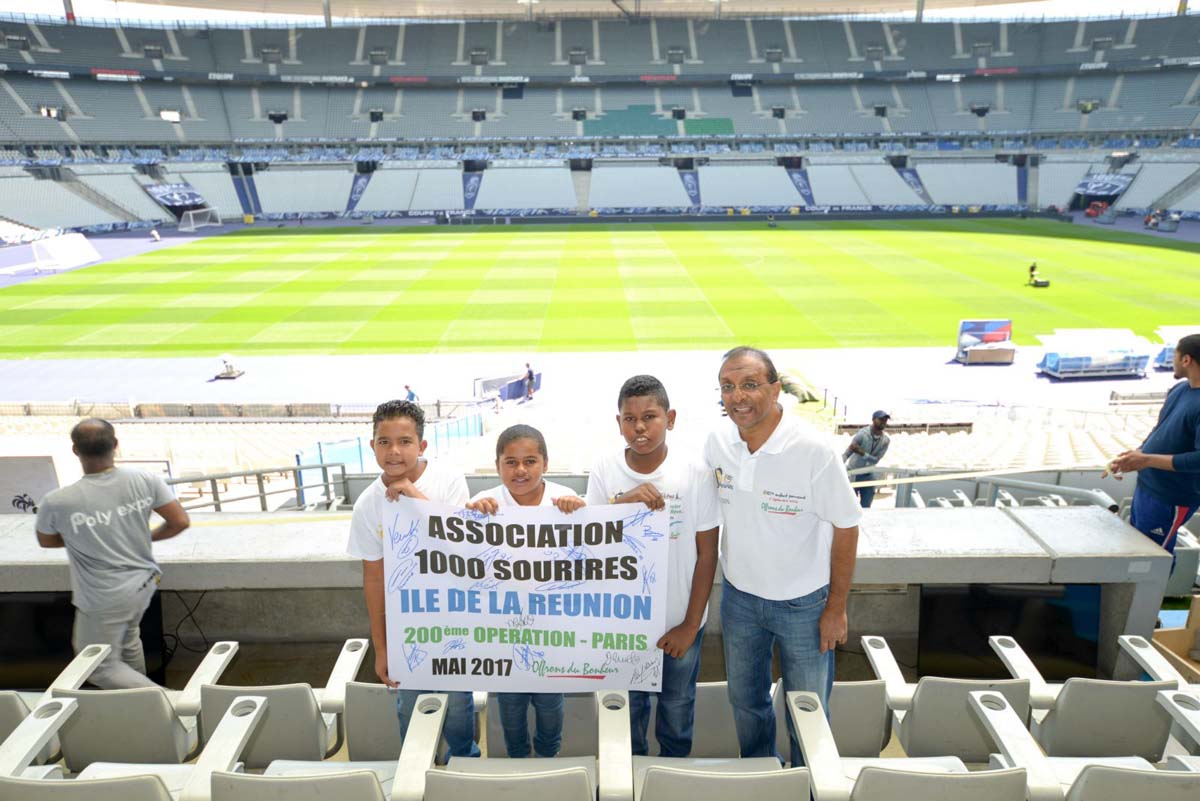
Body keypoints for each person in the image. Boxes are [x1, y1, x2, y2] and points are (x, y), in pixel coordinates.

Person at [704, 347, 861, 767]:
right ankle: (762, 776)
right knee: (745, 701)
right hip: (739, 601)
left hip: (805, 606)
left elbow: (847, 528)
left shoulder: (814, 451)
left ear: (775, 390)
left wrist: (836, 608)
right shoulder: (716, 442)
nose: (737, 396)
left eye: (750, 385)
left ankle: (812, 783)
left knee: (807, 709)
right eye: (728, 387)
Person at [586, 375, 719, 757]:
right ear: (618, 423)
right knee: (626, 717)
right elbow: (588, 546)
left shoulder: (694, 471)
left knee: (677, 712)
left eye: (650, 416)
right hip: (621, 623)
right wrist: (622, 504)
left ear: (670, 418)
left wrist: (690, 625)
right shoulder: (605, 469)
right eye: (630, 419)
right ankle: (627, 779)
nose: (639, 427)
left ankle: (672, 780)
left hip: (679, 621)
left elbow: (708, 553)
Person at [347, 400, 480, 759]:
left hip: (455, 618)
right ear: (371, 446)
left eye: (405, 441)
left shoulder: (448, 481)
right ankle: (417, 770)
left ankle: (463, 763)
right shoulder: (366, 505)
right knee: (409, 709)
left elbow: (463, 549)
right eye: (384, 441)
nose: (394, 451)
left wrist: (415, 498)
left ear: (422, 446)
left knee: (457, 707)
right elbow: (373, 579)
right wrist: (382, 646)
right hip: (407, 625)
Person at [35, 419, 190, 688]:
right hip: (143, 583)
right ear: (115, 445)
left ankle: (167, 702)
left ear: (75, 450)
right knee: (128, 642)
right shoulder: (145, 479)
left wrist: (83, 533)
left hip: (103, 595)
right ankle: (138, 708)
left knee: (96, 666)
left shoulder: (58, 501)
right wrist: (146, 535)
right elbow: (180, 522)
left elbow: (46, 541)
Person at [465, 425, 585, 759]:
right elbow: (457, 558)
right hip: (502, 631)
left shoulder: (568, 502)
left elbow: (595, 554)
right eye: (511, 462)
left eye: (530, 461)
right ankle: (518, 759)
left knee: (550, 705)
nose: (521, 470)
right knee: (509, 705)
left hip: (552, 630)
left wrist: (582, 513)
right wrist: (470, 516)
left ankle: (548, 757)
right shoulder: (481, 504)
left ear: (545, 463)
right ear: (498, 465)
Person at [1108, 333, 1200, 560]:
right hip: (1148, 487)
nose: (1173, 361)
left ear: (1186, 360)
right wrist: (1136, 455)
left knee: (1153, 558)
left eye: (1175, 355)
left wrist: (1146, 460)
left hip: (1172, 497)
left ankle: (1153, 597)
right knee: (1137, 550)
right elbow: (1161, 430)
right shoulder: (1180, 389)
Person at [844, 411, 891, 508]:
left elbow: (875, 460)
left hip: (868, 474)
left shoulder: (886, 441)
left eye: (885, 420)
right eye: (881, 419)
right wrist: (838, 466)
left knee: (866, 505)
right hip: (853, 473)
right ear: (873, 420)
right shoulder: (862, 434)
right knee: (849, 505)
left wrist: (862, 453)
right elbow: (848, 452)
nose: (884, 422)